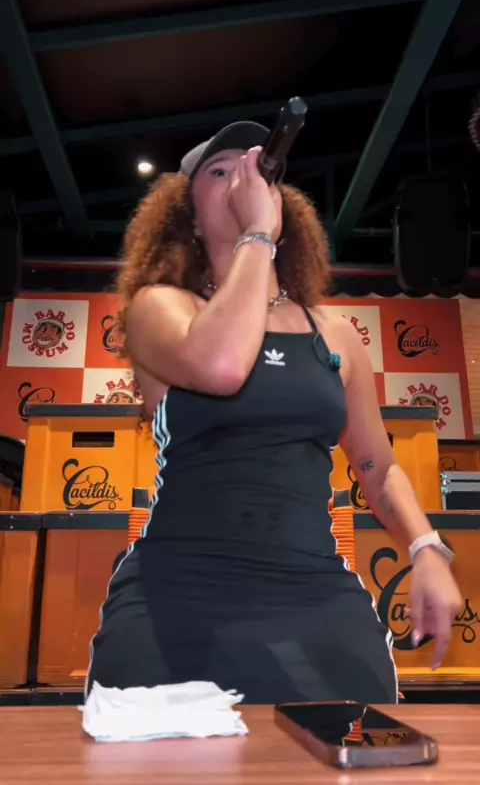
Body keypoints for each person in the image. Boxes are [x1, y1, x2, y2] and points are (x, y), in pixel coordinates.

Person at [86, 121, 462, 704]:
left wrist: (425, 548)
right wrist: (256, 235)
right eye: (221, 171)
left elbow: (376, 465)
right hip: (176, 594)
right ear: (188, 217)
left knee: (361, 743)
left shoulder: (335, 334)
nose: (245, 179)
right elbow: (222, 366)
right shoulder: (160, 308)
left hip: (314, 594)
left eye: (259, 171)